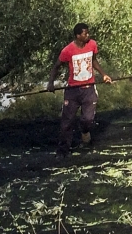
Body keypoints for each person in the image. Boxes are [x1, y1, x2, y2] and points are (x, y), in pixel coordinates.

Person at [48, 23, 112, 156]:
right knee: (67, 122)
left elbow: (93, 60)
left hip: (89, 89)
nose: (88, 35)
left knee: (87, 120)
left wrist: (103, 74)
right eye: (85, 33)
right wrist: (50, 83)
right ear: (78, 36)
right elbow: (56, 66)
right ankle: (63, 151)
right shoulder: (67, 50)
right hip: (73, 90)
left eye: (88, 33)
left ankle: (84, 132)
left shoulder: (92, 45)